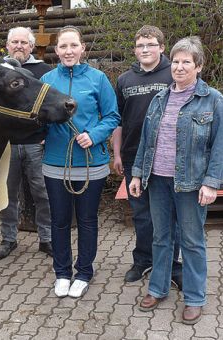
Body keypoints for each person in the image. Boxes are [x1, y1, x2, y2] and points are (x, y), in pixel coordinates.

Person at [130, 36, 223, 325]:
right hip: (157, 180)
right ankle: (158, 287)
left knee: (192, 240)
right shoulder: (161, 98)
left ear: (199, 66)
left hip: (192, 183)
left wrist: (212, 182)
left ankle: (195, 298)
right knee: (161, 237)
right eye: (177, 61)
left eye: (187, 62)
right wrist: (136, 174)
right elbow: (146, 141)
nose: (180, 67)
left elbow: (220, 144)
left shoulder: (213, 99)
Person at [40, 26, 120, 298]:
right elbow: (38, 117)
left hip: (91, 164)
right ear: (56, 50)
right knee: (60, 221)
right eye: (63, 46)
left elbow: (112, 116)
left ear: (82, 48)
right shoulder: (47, 80)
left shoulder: (98, 79)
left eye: (73, 45)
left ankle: (84, 272)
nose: (68, 51)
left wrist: (94, 135)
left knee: (87, 220)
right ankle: (62, 273)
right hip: (55, 163)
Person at [113, 25, 182, 287]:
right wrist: (117, 154)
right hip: (134, 158)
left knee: (169, 214)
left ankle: (173, 264)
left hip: (168, 158)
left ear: (162, 47)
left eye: (151, 44)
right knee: (141, 214)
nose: (145, 49)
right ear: (135, 49)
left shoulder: (174, 73)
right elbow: (118, 121)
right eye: (140, 45)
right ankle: (143, 259)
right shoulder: (124, 80)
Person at [0, 26, 53, 259]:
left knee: (43, 193)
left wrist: (48, 134)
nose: (19, 46)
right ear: (7, 46)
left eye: (24, 42)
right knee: (7, 195)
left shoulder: (43, 71)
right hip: (7, 145)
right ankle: (8, 238)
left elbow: (50, 105)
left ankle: (46, 238)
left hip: (35, 143)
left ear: (31, 46)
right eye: (14, 42)